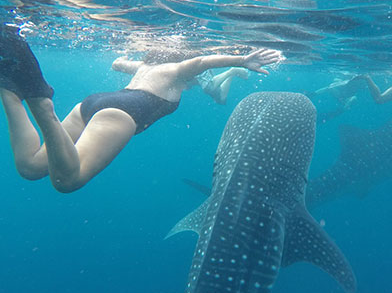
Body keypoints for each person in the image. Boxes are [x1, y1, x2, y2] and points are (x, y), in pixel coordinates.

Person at [0, 24, 281, 193]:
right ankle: (42, 105)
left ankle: (9, 90)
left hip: (91, 104)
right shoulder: (176, 70)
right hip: (121, 114)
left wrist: (124, 55)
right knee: (66, 181)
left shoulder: (145, 66)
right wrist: (241, 60)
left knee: (31, 167)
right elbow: (200, 64)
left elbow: (117, 63)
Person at [113, 52, 250, 105]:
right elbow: (117, 65)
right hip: (189, 74)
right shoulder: (145, 69)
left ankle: (232, 70)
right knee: (221, 100)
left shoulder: (153, 69)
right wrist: (119, 63)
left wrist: (241, 60)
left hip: (192, 68)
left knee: (210, 88)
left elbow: (117, 65)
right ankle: (232, 73)